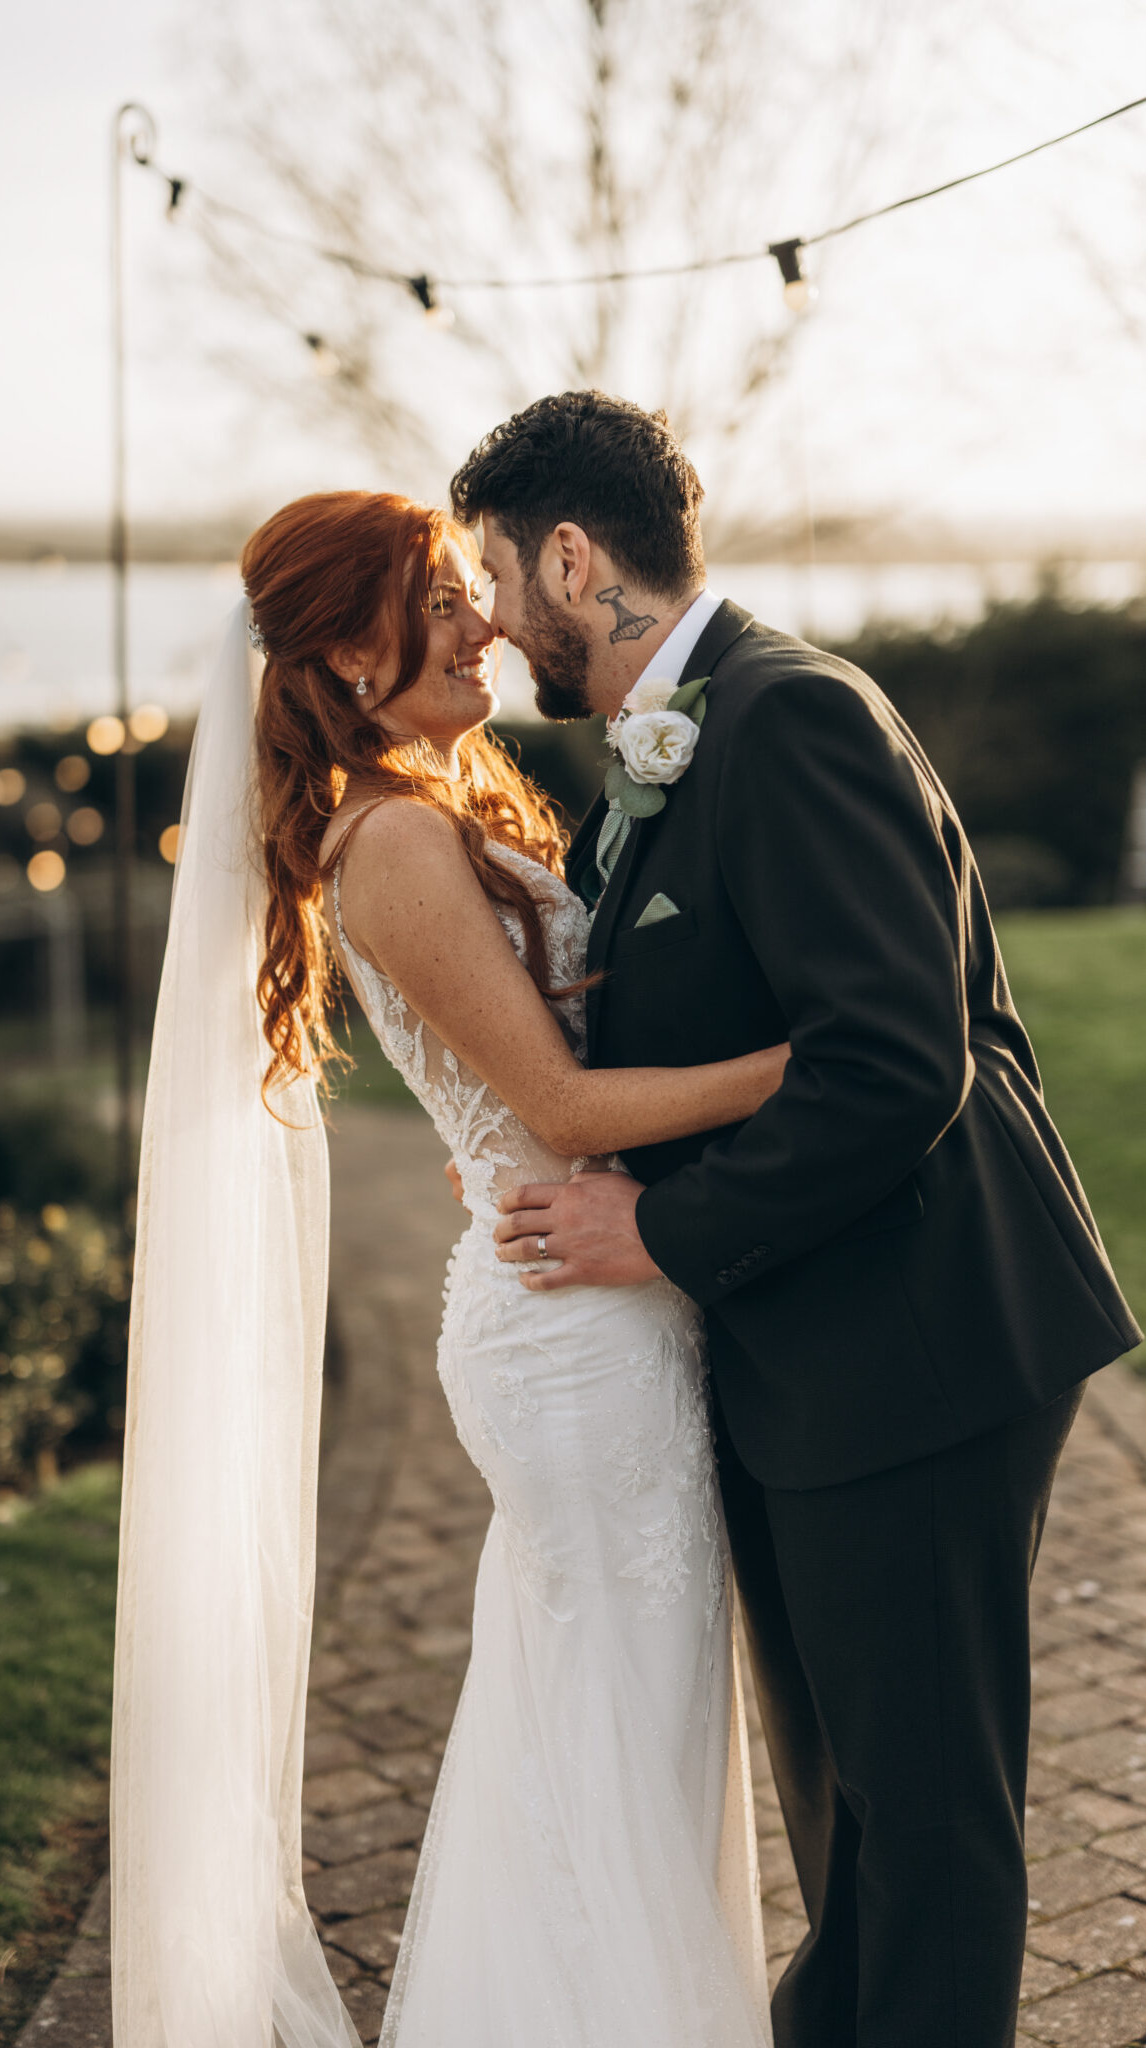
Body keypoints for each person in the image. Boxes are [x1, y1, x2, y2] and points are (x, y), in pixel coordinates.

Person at [458, 390, 1143, 2048]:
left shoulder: (788, 718)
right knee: (848, 1814)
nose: (487, 621)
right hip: (809, 1351)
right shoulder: (670, 745)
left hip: (914, 1344)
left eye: (493, 574)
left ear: (571, 556)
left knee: (921, 1815)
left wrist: (663, 1239)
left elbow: (894, 1062)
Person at [111, 485, 788, 2047]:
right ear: (347, 657)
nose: (482, 617)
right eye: (437, 594)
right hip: (569, 1337)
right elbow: (554, 1106)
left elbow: (521, 1072)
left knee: (603, 1720)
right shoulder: (398, 841)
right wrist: (812, 1061)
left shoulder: (431, 803)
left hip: (585, 1289)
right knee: (613, 1726)